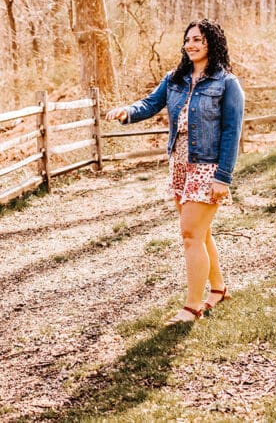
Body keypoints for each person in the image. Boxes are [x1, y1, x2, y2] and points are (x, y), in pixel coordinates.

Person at [105, 19, 244, 325]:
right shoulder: (175, 79)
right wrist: (128, 111)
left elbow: (232, 132)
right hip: (179, 164)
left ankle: (193, 306)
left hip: (208, 167)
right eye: (188, 39)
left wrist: (223, 176)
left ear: (212, 44)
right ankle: (218, 289)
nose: (191, 44)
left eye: (199, 39)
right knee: (200, 232)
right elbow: (150, 103)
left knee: (190, 234)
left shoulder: (226, 83)